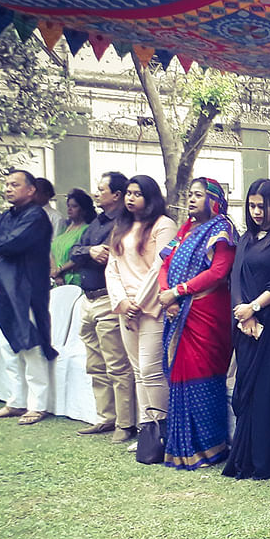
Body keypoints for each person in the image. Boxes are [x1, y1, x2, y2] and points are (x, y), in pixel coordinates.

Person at [155, 178, 237, 470]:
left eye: (198, 195)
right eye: (190, 194)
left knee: (201, 374)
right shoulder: (186, 229)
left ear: (214, 200)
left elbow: (218, 272)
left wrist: (178, 291)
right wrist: (168, 295)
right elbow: (165, 265)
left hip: (206, 312)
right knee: (179, 375)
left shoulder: (221, 230)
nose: (191, 199)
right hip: (178, 309)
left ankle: (208, 448)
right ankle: (181, 447)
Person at [223, 179, 270, 480]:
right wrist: (244, 315)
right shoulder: (246, 238)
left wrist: (255, 308)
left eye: (262, 206)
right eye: (251, 205)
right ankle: (245, 458)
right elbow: (236, 278)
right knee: (247, 391)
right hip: (246, 326)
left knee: (268, 391)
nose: (256, 211)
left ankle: (268, 460)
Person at [0, 170, 57, 425]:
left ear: (31, 190)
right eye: (7, 184)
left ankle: (38, 404)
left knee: (30, 345)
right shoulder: (5, 217)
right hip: (5, 287)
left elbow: (9, 245)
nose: (8, 189)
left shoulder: (36, 216)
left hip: (28, 289)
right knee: (7, 346)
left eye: (15, 184)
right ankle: (16, 401)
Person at [107, 175, 177, 445]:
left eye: (137, 193)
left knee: (151, 370)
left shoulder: (163, 225)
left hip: (151, 308)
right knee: (137, 371)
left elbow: (160, 266)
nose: (130, 198)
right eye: (127, 193)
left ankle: (164, 431)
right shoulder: (121, 226)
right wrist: (122, 302)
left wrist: (138, 302)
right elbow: (112, 268)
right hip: (127, 307)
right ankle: (147, 433)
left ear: (150, 197)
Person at [71, 172, 137, 439]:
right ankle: (106, 417)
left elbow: (112, 257)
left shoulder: (124, 223)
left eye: (101, 189)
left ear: (116, 195)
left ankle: (125, 423)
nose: (96, 193)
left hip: (109, 298)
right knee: (95, 363)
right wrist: (89, 251)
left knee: (117, 364)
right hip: (88, 299)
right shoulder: (96, 222)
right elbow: (76, 251)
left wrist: (93, 253)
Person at [50, 189, 95, 287]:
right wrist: (55, 273)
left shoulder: (87, 229)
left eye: (74, 206)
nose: (69, 209)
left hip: (74, 279)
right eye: (68, 206)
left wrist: (60, 270)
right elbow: (52, 250)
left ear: (84, 209)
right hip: (57, 279)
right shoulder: (65, 227)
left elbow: (81, 256)